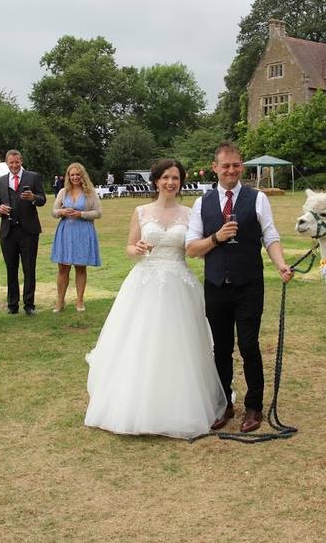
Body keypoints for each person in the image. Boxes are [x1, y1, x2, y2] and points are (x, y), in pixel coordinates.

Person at [85, 159, 226, 439]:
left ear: (181, 182)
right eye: (165, 177)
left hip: (178, 284)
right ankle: (134, 403)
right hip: (144, 282)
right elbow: (129, 246)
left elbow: (195, 247)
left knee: (179, 344)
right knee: (140, 340)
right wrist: (136, 248)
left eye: (175, 178)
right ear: (156, 181)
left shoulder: (190, 213)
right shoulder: (140, 211)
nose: (170, 183)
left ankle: (179, 404)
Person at [185, 141, 293, 433]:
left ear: (241, 167)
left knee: (248, 345)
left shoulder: (257, 199)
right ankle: (223, 404)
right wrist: (217, 238)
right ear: (215, 168)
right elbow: (192, 248)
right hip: (216, 285)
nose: (231, 170)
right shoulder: (202, 203)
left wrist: (280, 263)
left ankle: (254, 407)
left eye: (236, 165)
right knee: (220, 348)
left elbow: (270, 236)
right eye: (225, 166)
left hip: (249, 284)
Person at [0, 149, 46, 315]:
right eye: (11, 163)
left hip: (28, 230)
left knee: (29, 268)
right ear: (7, 163)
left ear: (21, 161)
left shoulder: (33, 177)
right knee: (11, 268)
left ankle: (29, 305)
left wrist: (33, 198)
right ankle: (12, 305)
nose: (14, 165)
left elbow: (42, 199)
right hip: (8, 231)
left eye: (17, 162)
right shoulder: (0, 181)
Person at [50, 162, 102, 312]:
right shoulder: (62, 192)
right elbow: (54, 211)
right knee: (63, 268)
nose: (75, 177)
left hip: (83, 231)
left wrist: (82, 214)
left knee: (80, 267)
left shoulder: (90, 193)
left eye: (77, 174)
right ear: (68, 176)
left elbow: (98, 213)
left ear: (82, 176)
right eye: (72, 175)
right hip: (65, 231)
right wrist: (61, 212)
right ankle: (60, 301)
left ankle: (80, 300)